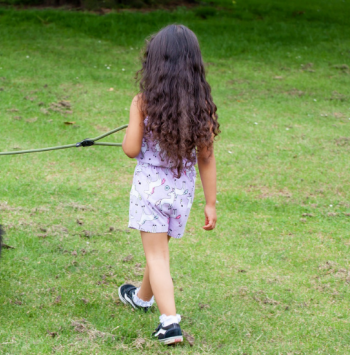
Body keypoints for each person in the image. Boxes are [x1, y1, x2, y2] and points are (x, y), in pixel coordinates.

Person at [118, 24, 219, 345]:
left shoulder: (143, 102)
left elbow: (131, 149)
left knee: (158, 256)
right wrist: (210, 202)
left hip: (150, 191)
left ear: (155, 63)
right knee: (158, 251)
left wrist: (133, 124)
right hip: (181, 191)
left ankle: (169, 323)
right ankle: (142, 298)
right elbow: (206, 157)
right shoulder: (200, 107)